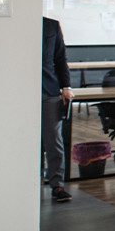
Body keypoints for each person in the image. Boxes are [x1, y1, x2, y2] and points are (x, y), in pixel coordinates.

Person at [42, 17, 74, 203]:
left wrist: (66, 86)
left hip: (49, 89)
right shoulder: (16, 23)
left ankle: (57, 184)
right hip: (19, 92)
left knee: (54, 139)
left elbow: (61, 58)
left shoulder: (51, 25)